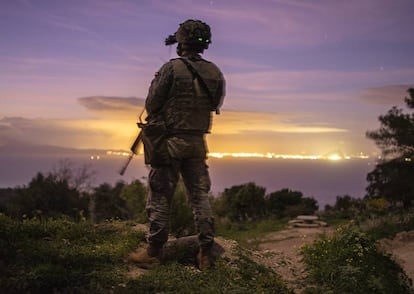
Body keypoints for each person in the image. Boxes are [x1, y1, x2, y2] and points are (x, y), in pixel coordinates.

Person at [128, 19, 226, 270]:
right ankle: (205, 252)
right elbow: (216, 104)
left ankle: (153, 251)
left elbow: (152, 104)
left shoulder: (171, 69)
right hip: (197, 143)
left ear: (181, 42)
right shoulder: (215, 72)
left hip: (170, 142)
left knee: (160, 195)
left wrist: (156, 82)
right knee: (199, 197)